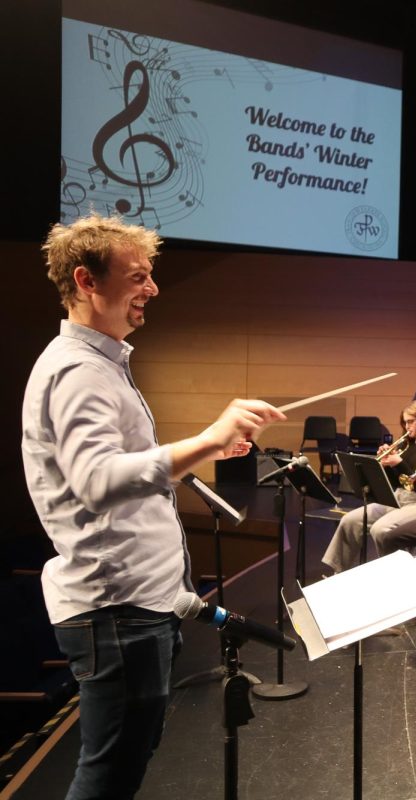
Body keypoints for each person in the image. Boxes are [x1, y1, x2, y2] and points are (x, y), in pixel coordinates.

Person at [22, 214, 285, 798]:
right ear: (87, 281)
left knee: (123, 767)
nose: (153, 288)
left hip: (135, 607)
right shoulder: (78, 371)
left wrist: (206, 444)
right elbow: (96, 480)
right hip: (117, 611)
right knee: (108, 777)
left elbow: (123, 471)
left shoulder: (101, 363)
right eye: (138, 276)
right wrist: (209, 440)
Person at [320, 399, 416, 574]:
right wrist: (386, 465)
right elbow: (395, 483)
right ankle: (338, 573)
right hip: (398, 498)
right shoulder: (406, 446)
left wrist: (399, 463)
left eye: (411, 421)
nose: (407, 426)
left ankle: (392, 576)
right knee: (349, 521)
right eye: (405, 422)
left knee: (381, 530)